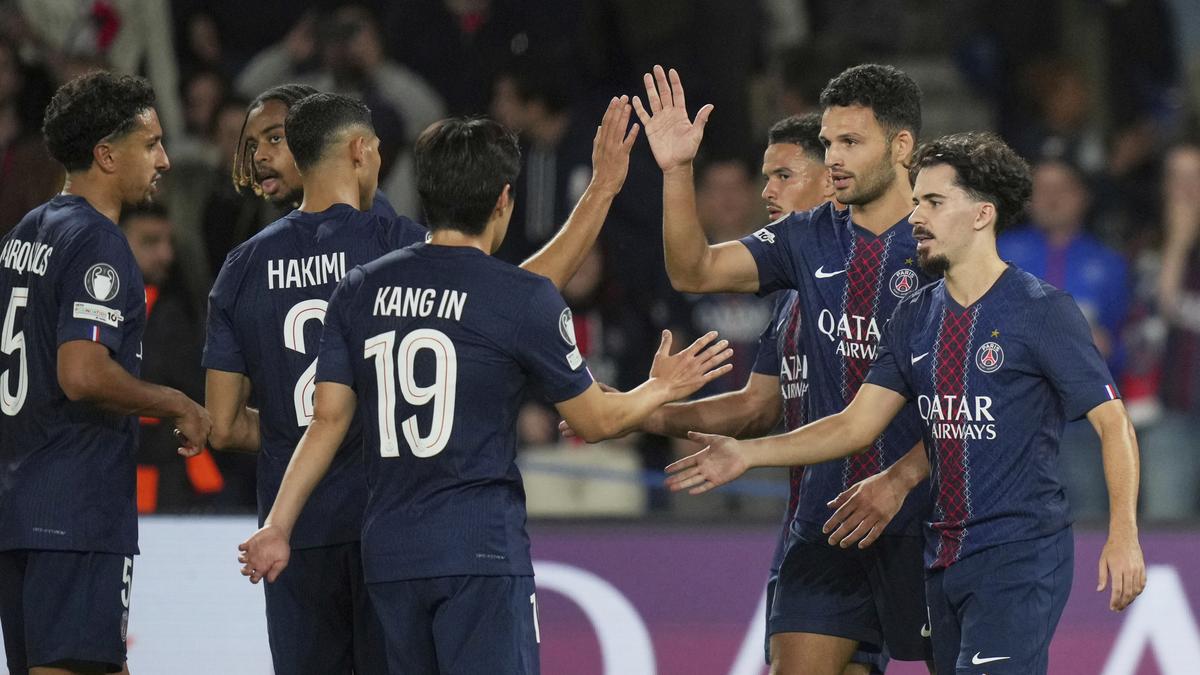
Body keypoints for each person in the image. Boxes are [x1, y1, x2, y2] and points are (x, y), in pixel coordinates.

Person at [237, 117, 733, 674]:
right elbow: (595, 421)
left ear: (424, 192)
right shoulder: (518, 298)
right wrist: (660, 387)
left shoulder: (360, 289)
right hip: (480, 550)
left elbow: (326, 422)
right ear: (503, 199)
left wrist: (278, 525)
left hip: (390, 555)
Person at [667, 131, 1147, 675]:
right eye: (916, 201)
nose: (916, 216)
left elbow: (1114, 424)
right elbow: (853, 426)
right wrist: (748, 453)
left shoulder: (1041, 311)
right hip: (940, 556)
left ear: (982, 215)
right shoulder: (914, 316)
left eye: (935, 202)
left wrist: (1124, 533)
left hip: (1018, 554)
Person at [633, 63, 933, 672]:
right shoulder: (804, 238)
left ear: (901, 146)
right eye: (828, 142)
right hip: (826, 525)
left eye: (851, 142)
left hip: (927, 520)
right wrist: (677, 170)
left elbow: (972, 398)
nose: (835, 157)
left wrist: (901, 480)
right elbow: (693, 270)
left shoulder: (943, 241)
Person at [0, 72, 210, 675]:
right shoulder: (99, 244)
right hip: (75, 509)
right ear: (106, 155)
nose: (164, 160)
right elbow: (83, 374)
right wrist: (176, 402)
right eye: (151, 144)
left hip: (17, 507)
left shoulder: (22, 235)